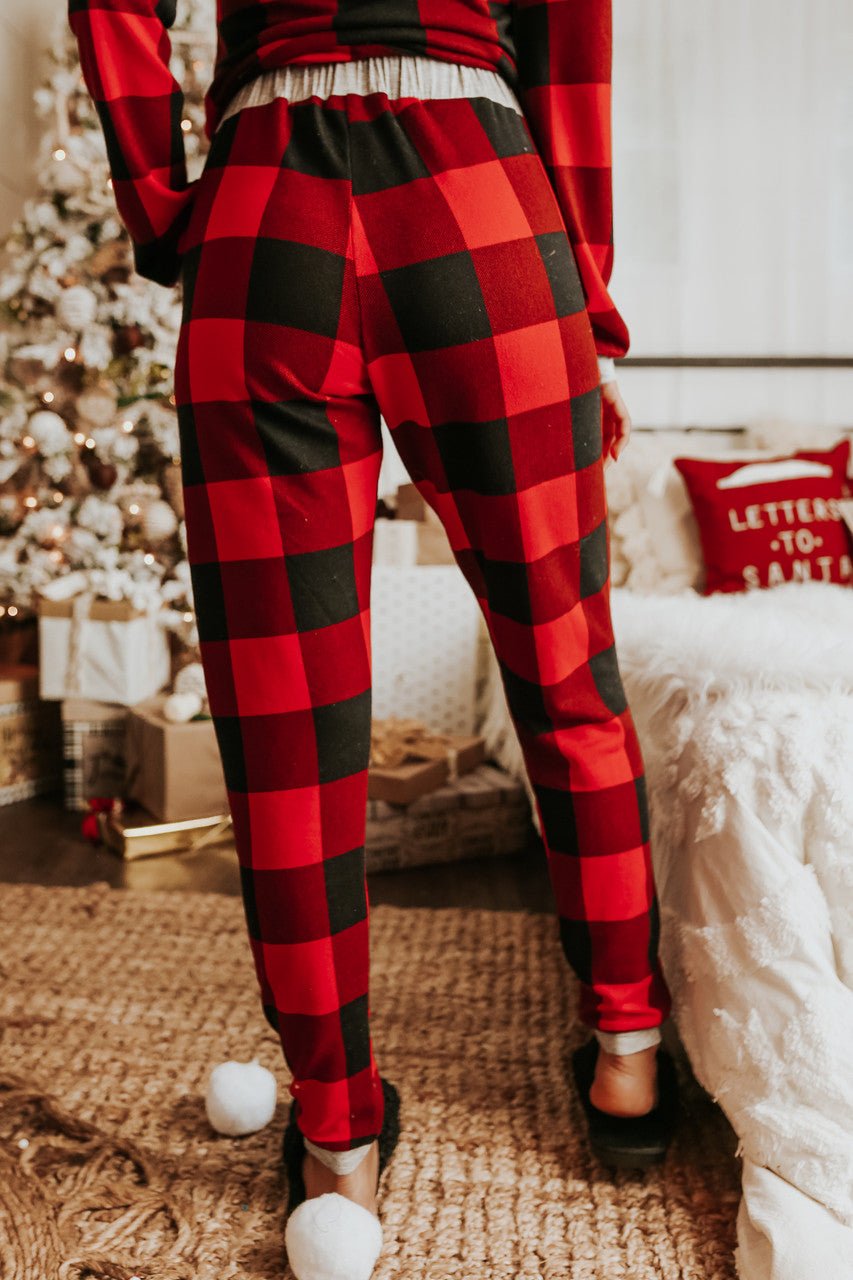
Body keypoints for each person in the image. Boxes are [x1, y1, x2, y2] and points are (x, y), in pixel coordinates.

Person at [68, 1, 679, 1275]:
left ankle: (338, 1135)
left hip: (264, 206)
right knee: (567, 674)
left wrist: (162, 201)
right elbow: (572, 26)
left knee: (289, 736)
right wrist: (586, 289)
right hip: (481, 193)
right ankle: (625, 1053)